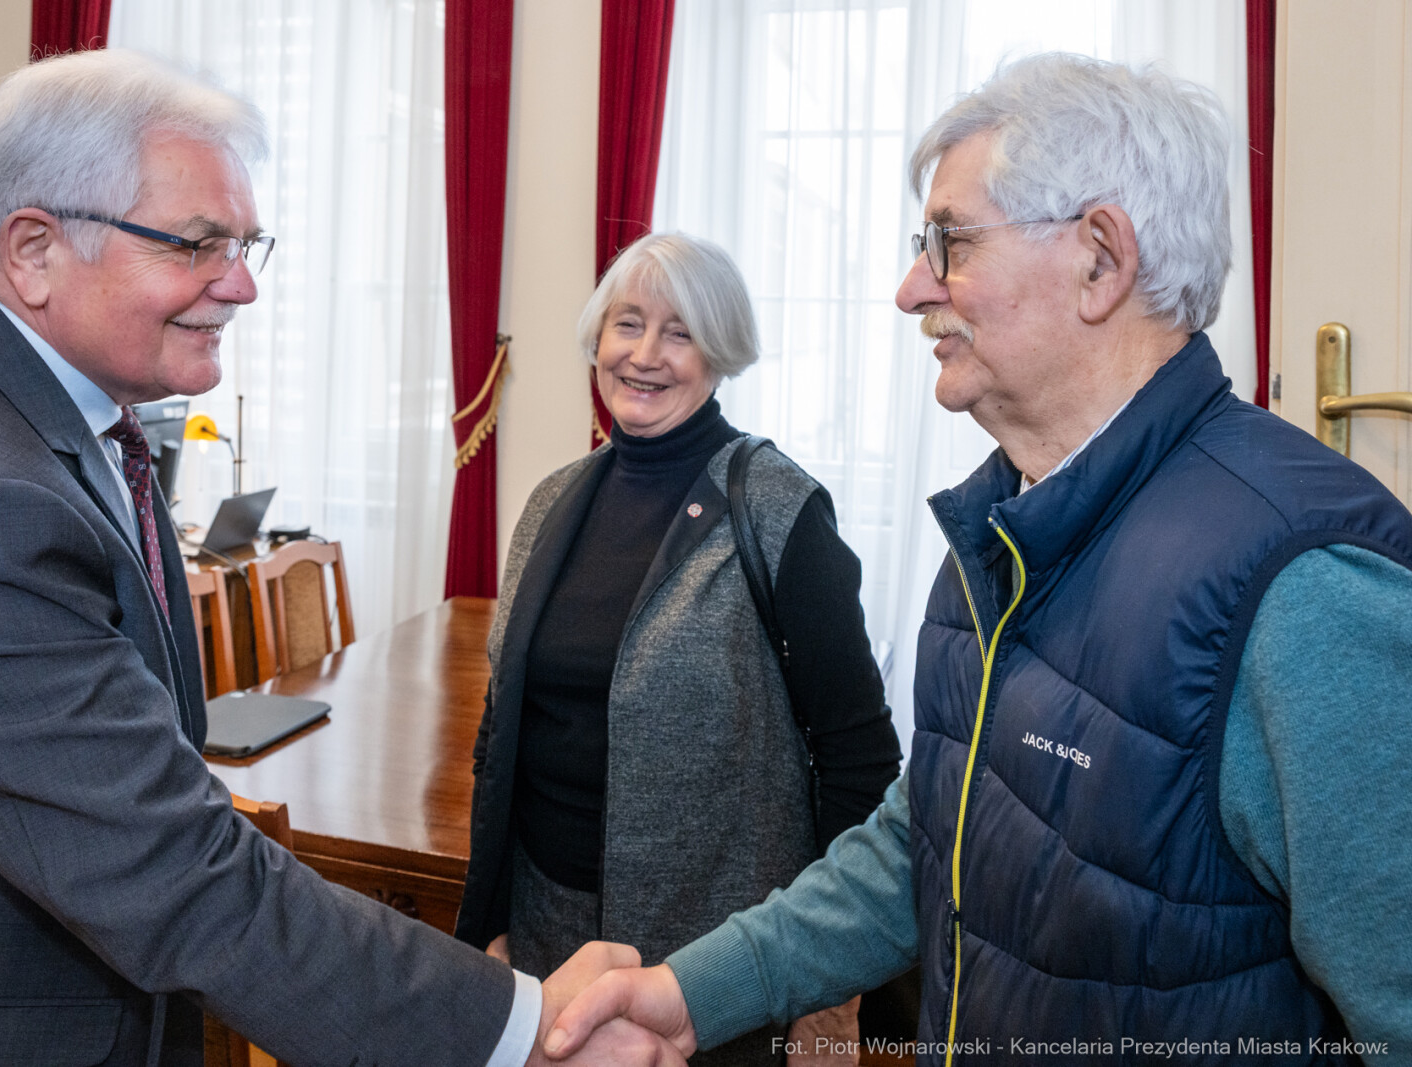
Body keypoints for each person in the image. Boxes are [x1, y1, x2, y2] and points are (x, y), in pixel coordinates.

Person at [0, 48, 682, 1067]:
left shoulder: (4, 405)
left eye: (244, 243)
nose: (239, 285)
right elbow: (178, 869)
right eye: (197, 244)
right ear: (36, 249)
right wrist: (521, 1028)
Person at [542, 53, 1412, 1066]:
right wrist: (691, 994)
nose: (914, 287)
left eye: (948, 242)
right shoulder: (998, 526)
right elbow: (934, 840)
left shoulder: (1304, 588)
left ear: (1099, 258)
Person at [455, 232, 903, 1064]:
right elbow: (501, 733)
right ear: (599, 337)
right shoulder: (554, 501)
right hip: (548, 944)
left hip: (715, 970)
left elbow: (859, 760)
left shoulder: (779, 509)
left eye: (680, 331)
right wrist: (491, 923)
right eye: (628, 324)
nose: (645, 355)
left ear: (720, 350)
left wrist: (834, 991)